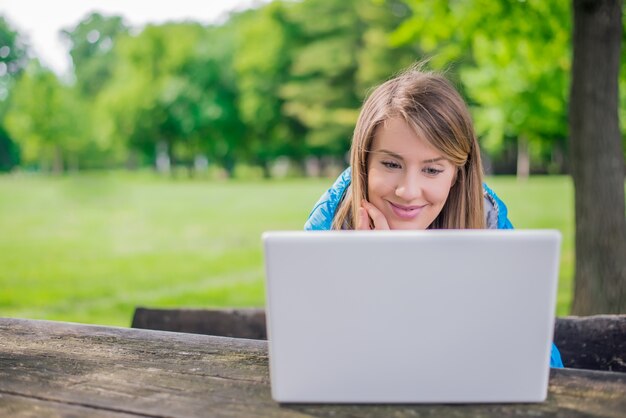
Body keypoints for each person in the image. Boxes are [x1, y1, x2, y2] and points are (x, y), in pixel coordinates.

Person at [304, 65, 564, 368]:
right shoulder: (329, 226)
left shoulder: (488, 224)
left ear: (456, 174)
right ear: (364, 163)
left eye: (432, 170)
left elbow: (542, 360)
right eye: (390, 164)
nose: (408, 191)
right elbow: (318, 355)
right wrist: (372, 274)